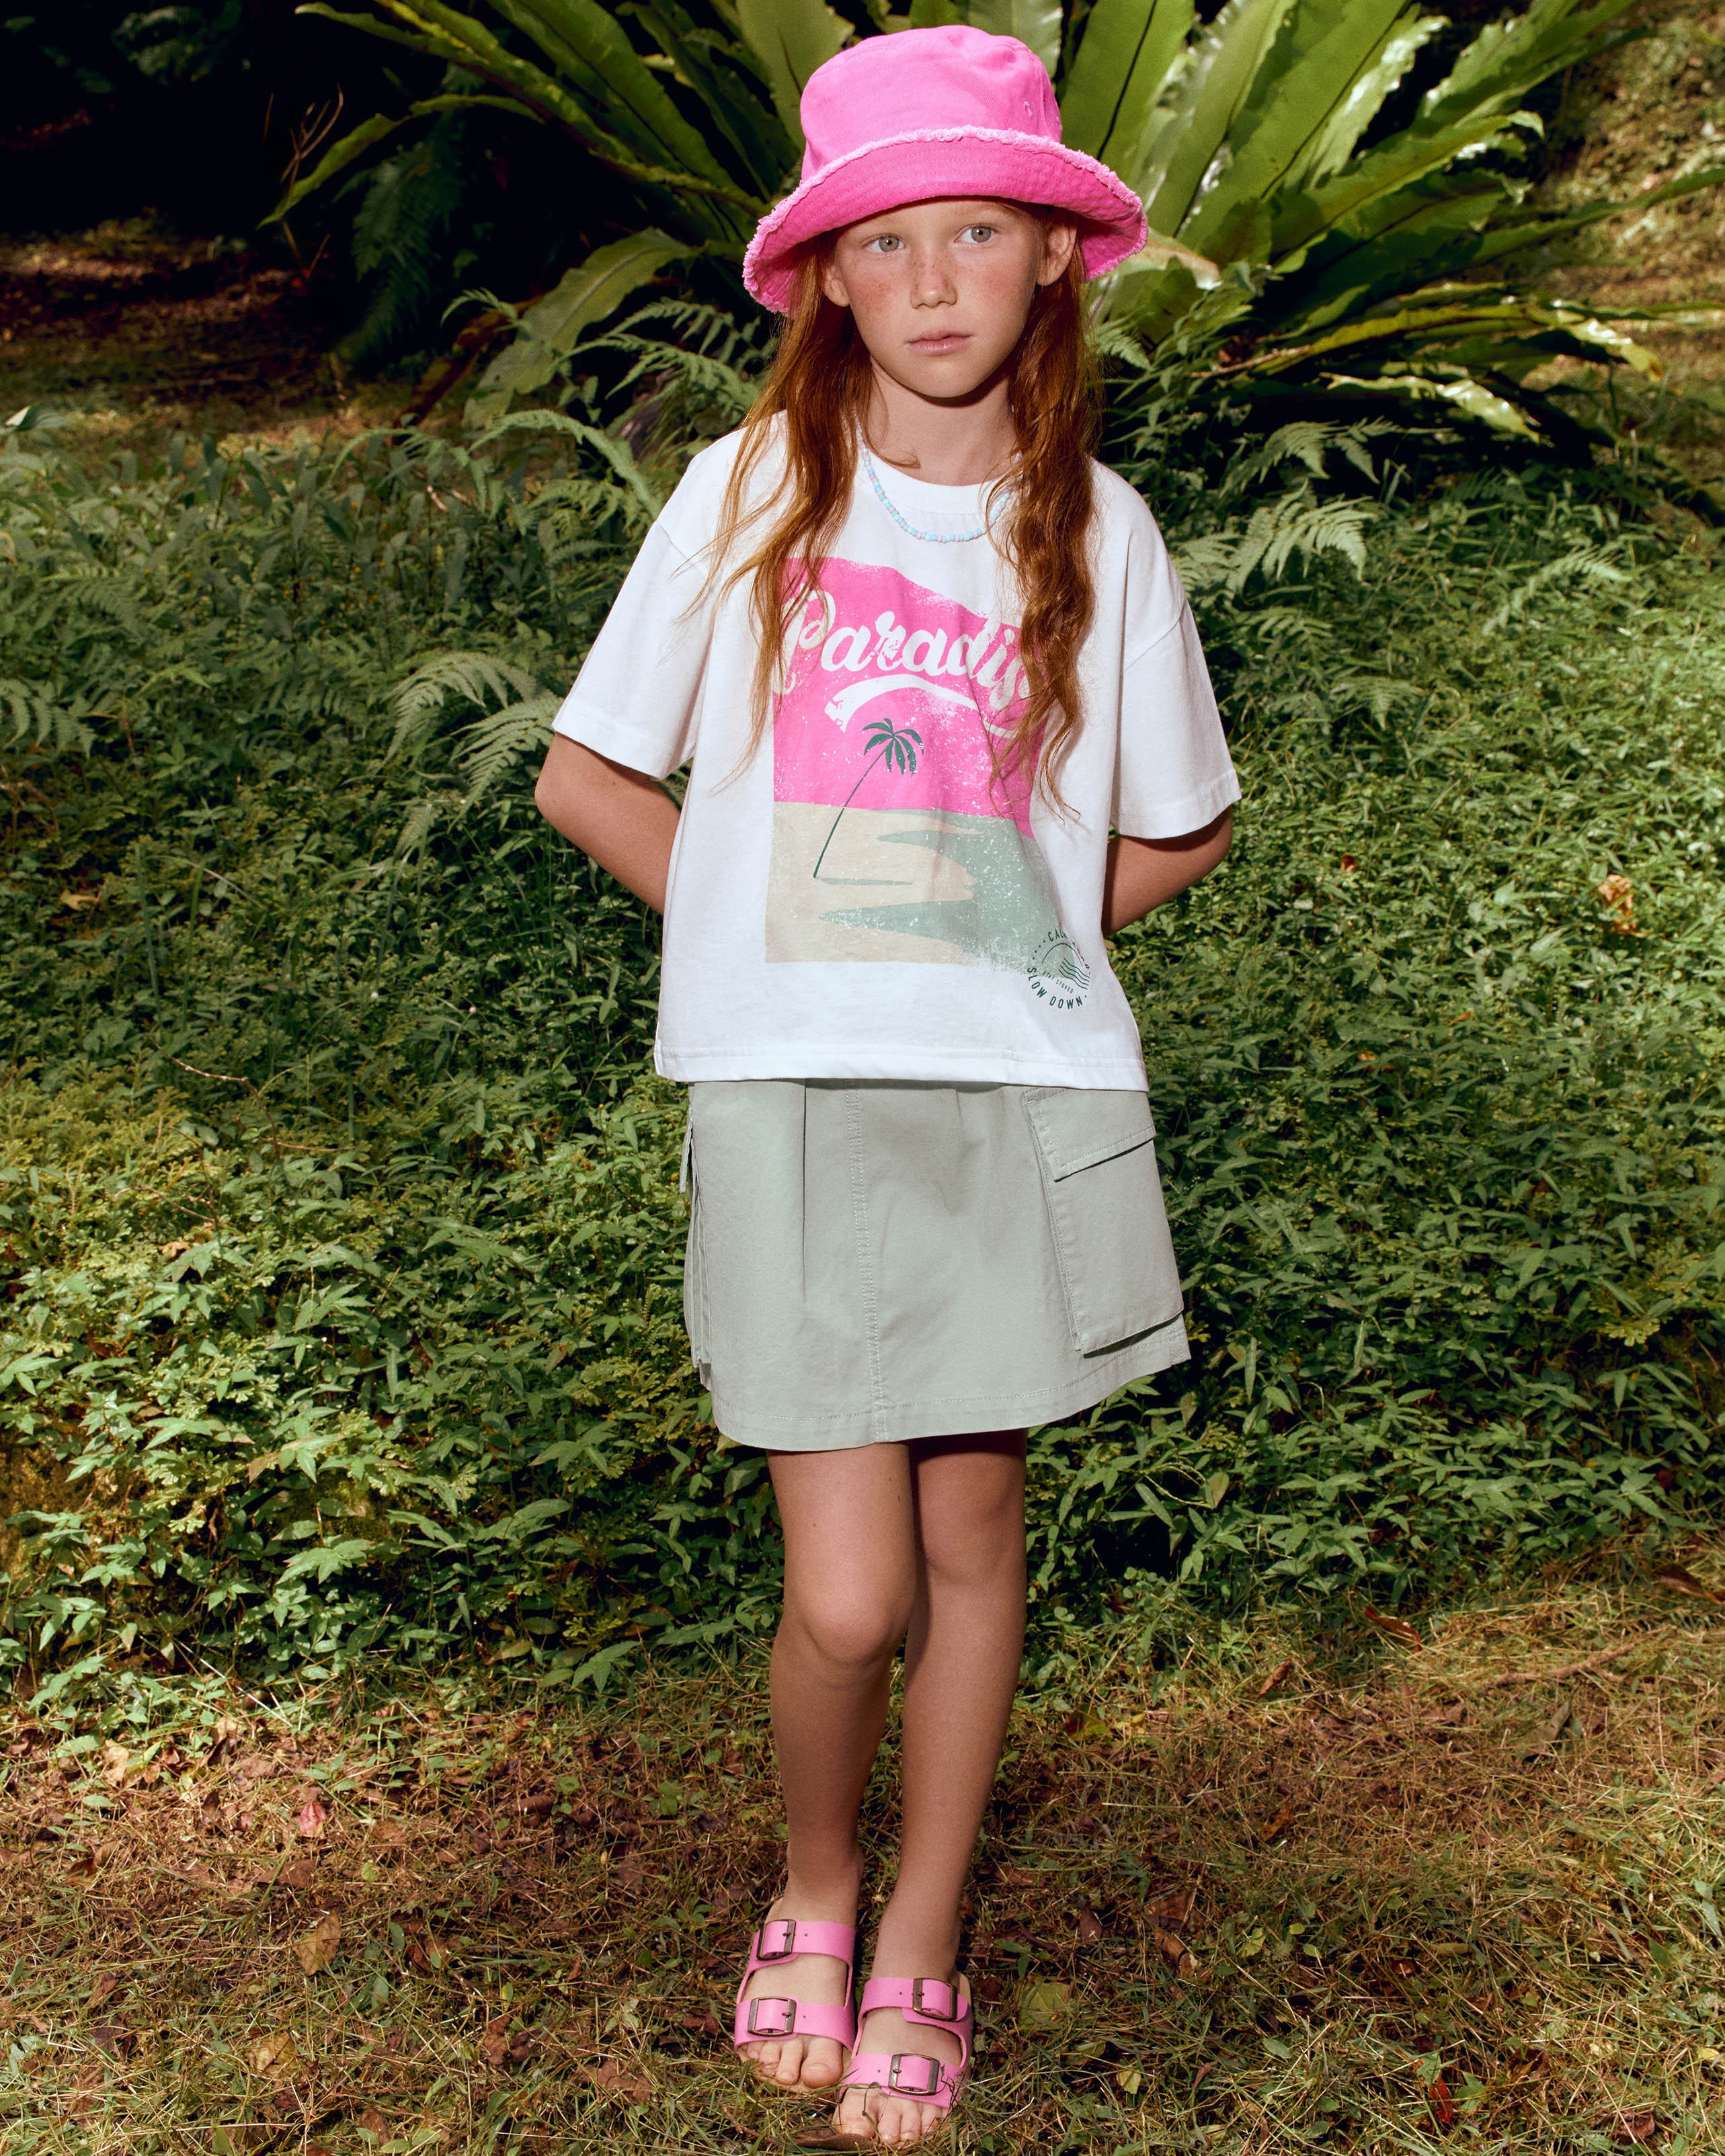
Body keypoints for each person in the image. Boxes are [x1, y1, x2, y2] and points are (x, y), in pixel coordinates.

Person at [534, 22, 1238, 2144]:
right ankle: (816, 1883)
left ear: (1055, 258)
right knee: (846, 1595)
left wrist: (1006, 938)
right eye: (889, 243)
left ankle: (922, 1931)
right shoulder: (751, 492)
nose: (936, 283)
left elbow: (1184, 823)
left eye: (979, 235)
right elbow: (588, 777)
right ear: (829, 277)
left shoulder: (1102, 531)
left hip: (1014, 1099)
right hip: (794, 1096)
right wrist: (770, 937)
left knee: (975, 1532)